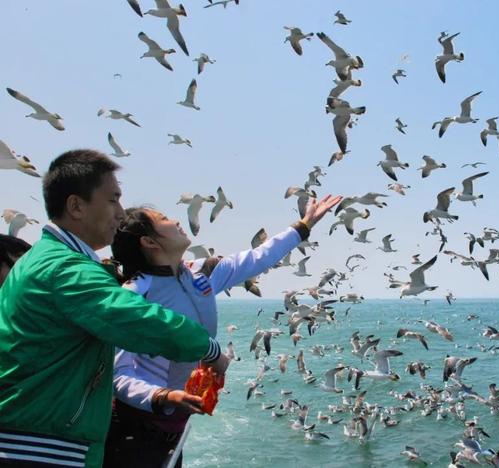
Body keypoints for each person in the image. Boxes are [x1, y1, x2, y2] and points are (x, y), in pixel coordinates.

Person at [0, 149, 230, 467]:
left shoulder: (40, 260)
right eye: (113, 200)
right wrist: (210, 349)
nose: (121, 213)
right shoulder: (65, 268)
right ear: (76, 206)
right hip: (45, 449)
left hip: (37, 440)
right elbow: (138, 320)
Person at [104, 193, 341, 467]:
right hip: (135, 427)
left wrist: (304, 225)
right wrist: (162, 397)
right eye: (164, 219)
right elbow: (118, 375)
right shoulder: (135, 295)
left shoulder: (200, 272)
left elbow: (257, 258)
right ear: (149, 242)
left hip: (175, 424)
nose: (176, 220)